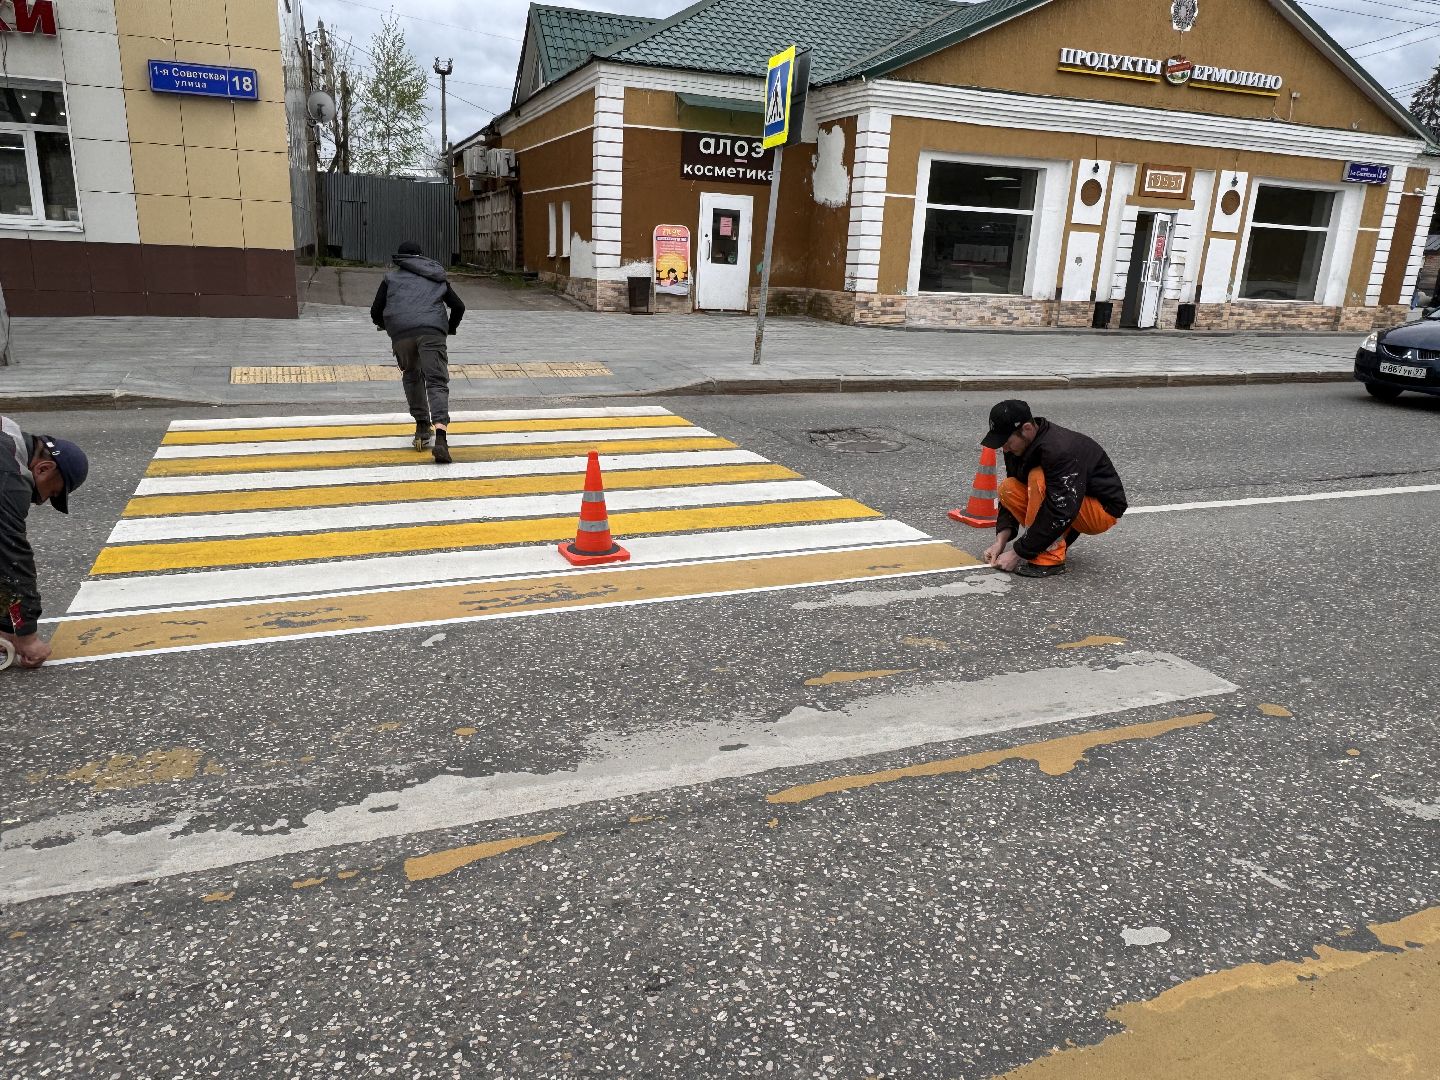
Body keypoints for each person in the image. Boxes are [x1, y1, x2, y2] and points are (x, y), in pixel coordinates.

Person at [979, 400, 1127, 579]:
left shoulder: (1058, 450)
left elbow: (1060, 509)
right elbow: (1017, 488)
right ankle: (1045, 543)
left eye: (1006, 441)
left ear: (1027, 428)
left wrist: (1018, 553)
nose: (1004, 448)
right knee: (1008, 487)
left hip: (1101, 510)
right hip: (1069, 500)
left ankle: (1049, 559)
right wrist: (1000, 542)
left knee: (1038, 478)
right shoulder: (1016, 447)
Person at [1, 417, 88, 668]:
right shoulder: (8, 479)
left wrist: (8, 626)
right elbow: (11, 559)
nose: (41, 502)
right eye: (52, 493)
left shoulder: (9, 434)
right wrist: (27, 636)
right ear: (43, 469)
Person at [370, 241, 466, 464]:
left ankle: (422, 427)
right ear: (421, 257)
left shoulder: (390, 278)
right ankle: (441, 437)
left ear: (400, 259)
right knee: (437, 382)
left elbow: (376, 311)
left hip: (401, 333)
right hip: (432, 332)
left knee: (412, 377)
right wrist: (449, 328)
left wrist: (387, 325)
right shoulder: (435, 275)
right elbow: (458, 306)